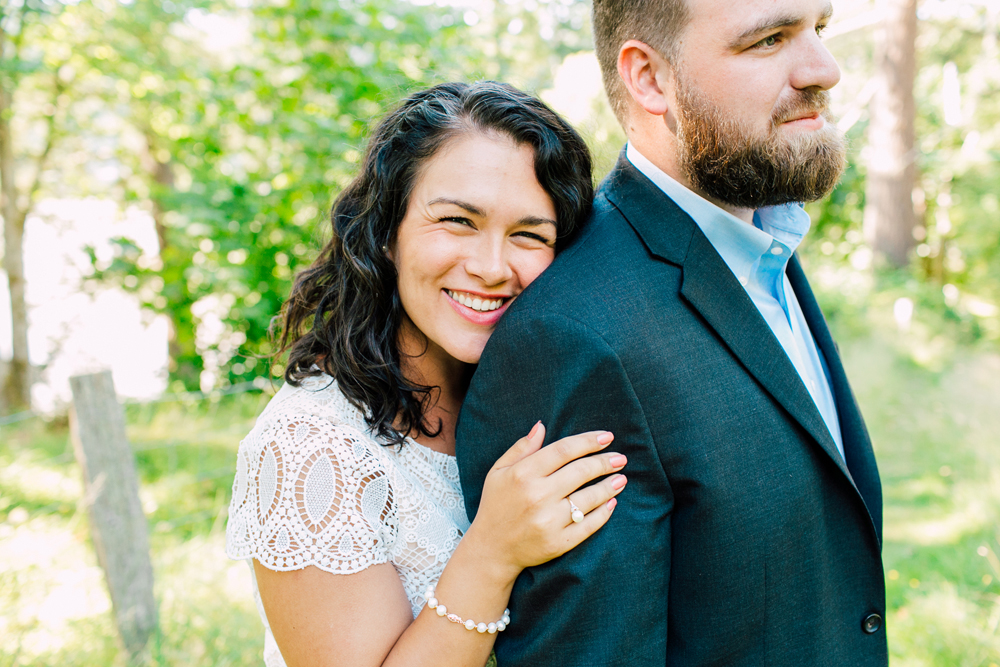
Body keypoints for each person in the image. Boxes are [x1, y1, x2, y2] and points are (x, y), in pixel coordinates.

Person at [456, 0, 887, 665]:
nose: (824, 70)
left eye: (819, 30)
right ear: (650, 78)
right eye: (769, 40)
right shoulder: (573, 336)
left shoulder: (765, 242)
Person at [225, 81, 629, 667]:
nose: (492, 268)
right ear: (388, 232)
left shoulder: (547, 394)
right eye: (459, 221)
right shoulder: (309, 450)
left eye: (528, 235)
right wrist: (492, 552)